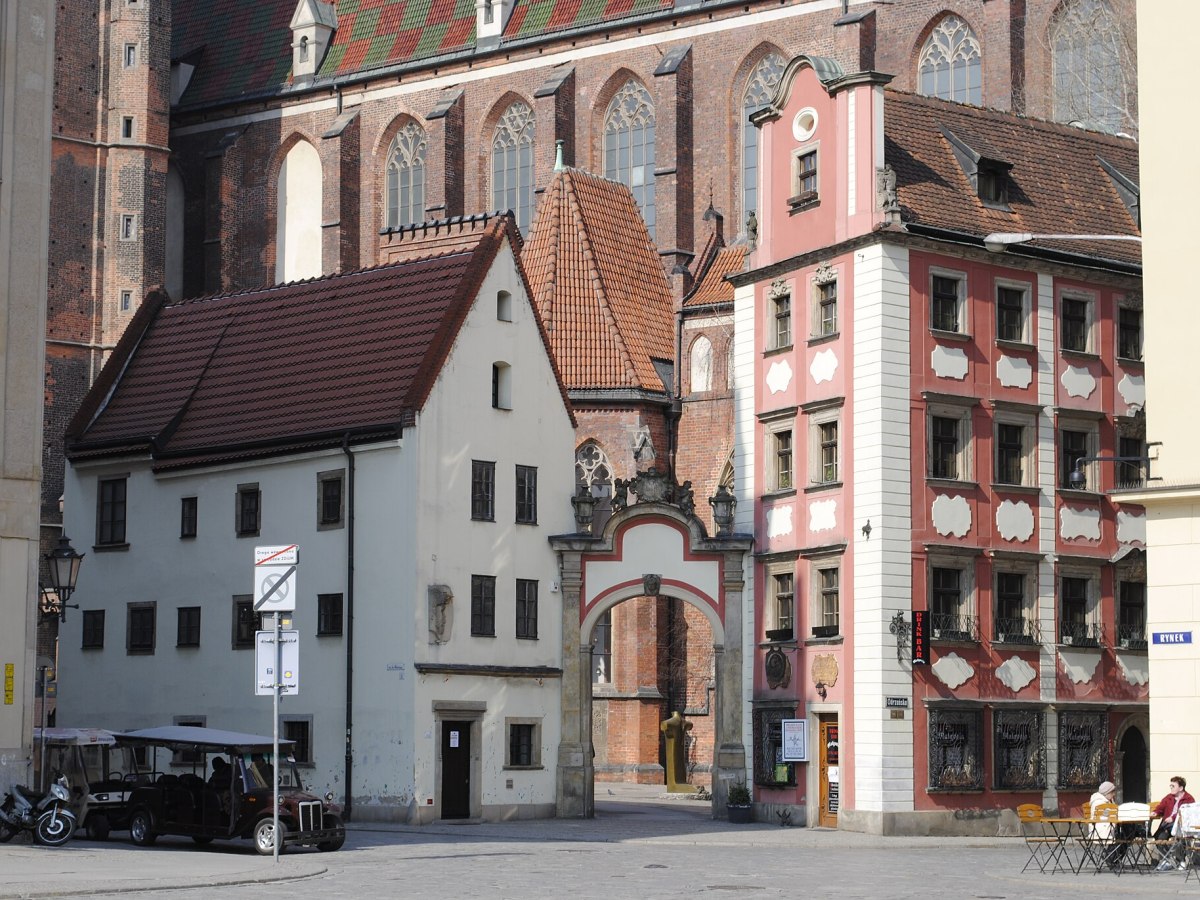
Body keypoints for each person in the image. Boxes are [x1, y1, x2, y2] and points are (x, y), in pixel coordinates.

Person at [1153, 776, 1195, 870]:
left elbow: (1187, 813)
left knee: (1180, 837)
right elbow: (1161, 806)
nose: (1171, 788)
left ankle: (1181, 860)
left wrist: (1173, 818)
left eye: (1173, 786)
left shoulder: (1188, 799)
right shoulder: (1169, 797)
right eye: (1170, 786)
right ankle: (1167, 860)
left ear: (1181, 788)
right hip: (1167, 826)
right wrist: (1155, 812)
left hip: (1181, 825)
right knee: (1159, 837)